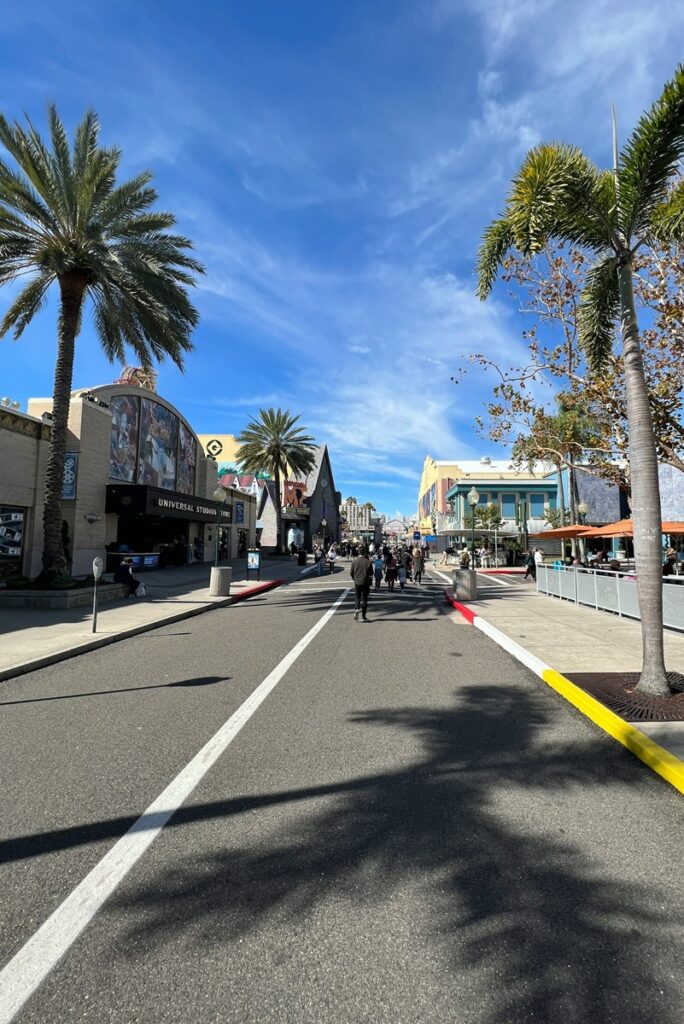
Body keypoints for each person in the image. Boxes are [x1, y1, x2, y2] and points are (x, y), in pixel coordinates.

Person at [350, 547, 373, 621]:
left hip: (357, 582)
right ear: (364, 553)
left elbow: (351, 573)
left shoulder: (354, 561)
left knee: (357, 597)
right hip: (365, 582)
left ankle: (357, 609)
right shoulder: (368, 562)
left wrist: (354, 578)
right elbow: (371, 574)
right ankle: (363, 616)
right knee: (364, 598)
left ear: (358, 552)